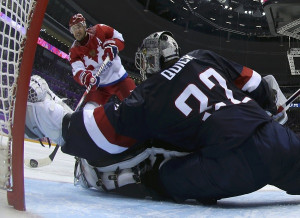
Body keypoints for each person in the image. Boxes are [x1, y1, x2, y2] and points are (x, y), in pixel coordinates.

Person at [26, 31, 300, 204]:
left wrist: (57, 120)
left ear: (154, 60)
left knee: (161, 173)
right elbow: (255, 82)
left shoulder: (151, 93)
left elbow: (102, 132)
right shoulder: (203, 56)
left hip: (234, 163)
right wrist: (272, 106)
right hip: (275, 136)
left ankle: (133, 178)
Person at [68, 13, 136, 109]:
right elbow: (77, 71)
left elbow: (120, 38)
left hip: (119, 78)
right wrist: (86, 77)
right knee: (88, 112)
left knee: (136, 104)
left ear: (84, 25)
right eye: (73, 29)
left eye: (78, 27)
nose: (77, 31)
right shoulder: (74, 51)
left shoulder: (100, 29)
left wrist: (113, 44)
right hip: (99, 87)